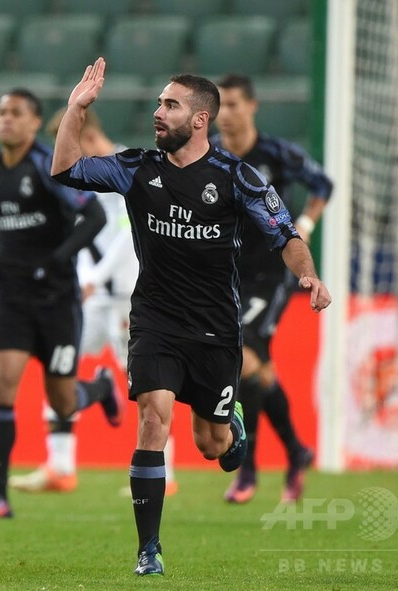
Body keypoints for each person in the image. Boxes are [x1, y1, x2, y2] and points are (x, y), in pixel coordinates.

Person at [51, 58, 331, 576]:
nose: (158, 112)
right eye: (159, 103)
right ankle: (148, 551)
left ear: (200, 119)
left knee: (212, 445)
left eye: (171, 105)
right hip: (154, 320)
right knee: (152, 418)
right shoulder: (136, 168)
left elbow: (285, 233)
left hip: (215, 329)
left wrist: (308, 275)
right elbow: (66, 168)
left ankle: (231, 424)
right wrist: (76, 111)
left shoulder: (236, 176)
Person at [0, 88, 121, 518]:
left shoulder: (48, 167)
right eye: (1, 112)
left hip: (56, 299)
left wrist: (57, 259)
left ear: (35, 123)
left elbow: (95, 216)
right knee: (3, 383)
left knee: (62, 401)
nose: (6, 119)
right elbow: (1, 218)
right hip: (10, 297)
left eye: (16, 113)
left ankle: (101, 387)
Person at [9, 107, 177, 496]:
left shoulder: (130, 168)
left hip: (129, 296)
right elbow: (81, 232)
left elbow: (128, 236)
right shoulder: (79, 176)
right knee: (57, 364)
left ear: (85, 136)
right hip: (92, 296)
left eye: (69, 141)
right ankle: (60, 467)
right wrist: (84, 277)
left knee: (148, 383)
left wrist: (95, 278)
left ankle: (163, 473)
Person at [212, 73, 334, 504]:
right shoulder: (210, 153)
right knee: (260, 373)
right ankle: (297, 452)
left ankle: (246, 468)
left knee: (243, 359)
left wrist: (306, 224)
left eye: (233, 104)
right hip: (227, 275)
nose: (225, 114)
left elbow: (323, 185)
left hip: (271, 274)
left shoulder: (277, 154)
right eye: (220, 105)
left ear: (252, 106)